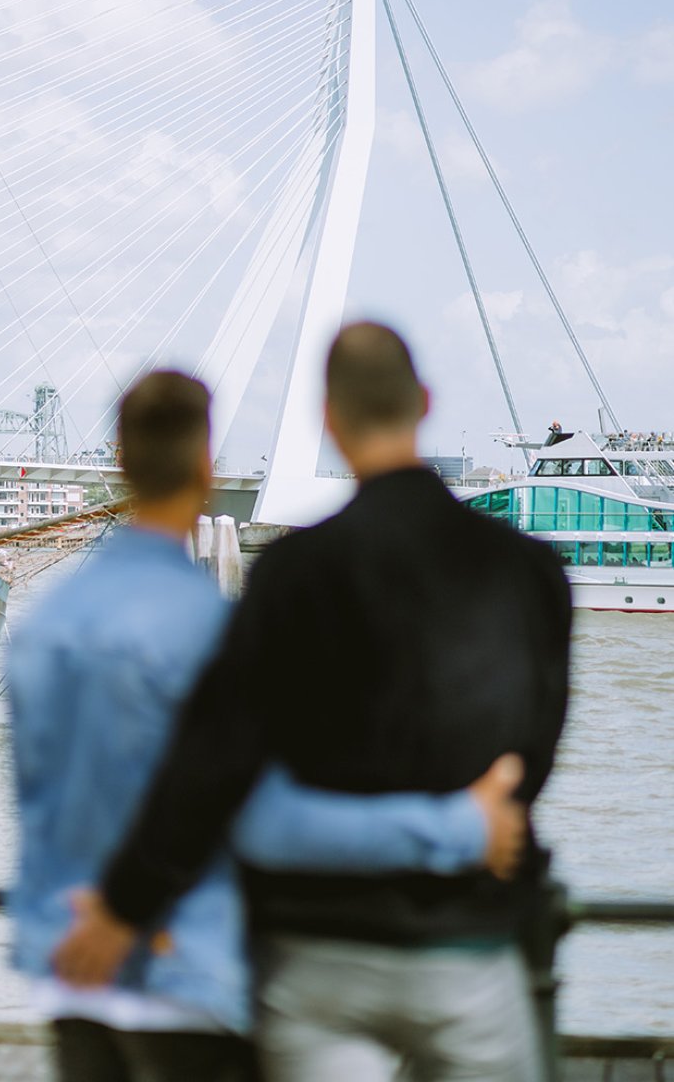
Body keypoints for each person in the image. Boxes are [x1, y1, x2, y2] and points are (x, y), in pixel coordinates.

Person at [55, 327, 572, 1082]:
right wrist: (481, 816)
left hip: (317, 957)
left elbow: (214, 758)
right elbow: (536, 749)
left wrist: (128, 902)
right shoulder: (529, 571)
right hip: (468, 944)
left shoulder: (294, 573)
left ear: (327, 419)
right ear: (424, 404)